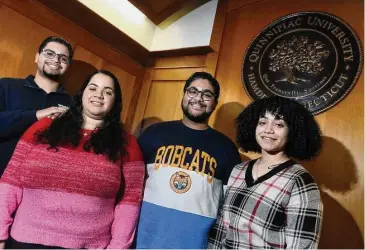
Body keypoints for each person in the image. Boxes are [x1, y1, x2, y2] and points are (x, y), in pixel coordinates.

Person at [0, 70, 145, 249]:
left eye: (108, 92)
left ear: (115, 101)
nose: (98, 95)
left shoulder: (127, 143)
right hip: (24, 241)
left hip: (88, 245)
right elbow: (11, 180)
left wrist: (118, 246)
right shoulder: (45, 126)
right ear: (82, 93)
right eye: (93, 88)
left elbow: (130, 201)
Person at [135, 71, 241, 249]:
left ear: (214, 103)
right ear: (184, 94)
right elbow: (131, 184)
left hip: (194, 244)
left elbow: (227, 207)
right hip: (143, 240)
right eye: (193, 91)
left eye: (207, 95)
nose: (198, 98)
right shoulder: (154, 133)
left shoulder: (227, 148)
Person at [208, 96, 323, 249]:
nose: (268, 129)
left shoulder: (300, 181)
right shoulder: (238, 170)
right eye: (262, 122)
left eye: (279, 124)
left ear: (293, 132)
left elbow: (303, 246)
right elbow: (222, 226)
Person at [0, 36, 73, 176]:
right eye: (49, 53)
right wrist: (36, 115)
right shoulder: (7, 86)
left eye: (63, 58)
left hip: (40, 188)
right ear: (37, 57)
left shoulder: (73, 105)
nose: (56, 60)